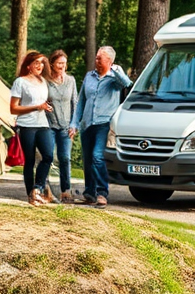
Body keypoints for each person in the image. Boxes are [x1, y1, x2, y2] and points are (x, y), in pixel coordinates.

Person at [69, 46, 132, 208]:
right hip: (87, 124)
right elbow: (81, 101)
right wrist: (74, 123)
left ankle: (102, 193)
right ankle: (89, 194)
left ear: (109, 61)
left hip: (104, 124)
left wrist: (116, 69)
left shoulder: (114, 79)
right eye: (96, 58)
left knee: (97, 156)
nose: (96, 61)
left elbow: (127, 83)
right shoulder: (89, 76)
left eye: (99, 58)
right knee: (88, 159)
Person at [9, 51, 55, 206]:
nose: (40, 66)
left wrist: (46, 107)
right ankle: (31, 195)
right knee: (29, 161)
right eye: (36, 63)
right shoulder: (20, 82)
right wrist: (36, 107)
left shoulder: (43, 81)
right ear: (28, 66)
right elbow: (13, 108)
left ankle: (38, 188)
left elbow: (42, 102)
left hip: (43, 124)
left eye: (42, 63)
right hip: (26, 125)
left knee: (48, 156)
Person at [45, 49, 78, 204]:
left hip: (66, 127)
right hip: (49, 125)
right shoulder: (45, 81)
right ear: (52, 64)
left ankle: (66, 191)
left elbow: (75, 103)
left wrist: (74, 124)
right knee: (48, 157)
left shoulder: (71, 80)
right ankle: (45, 189)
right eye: (59, 63)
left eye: (64, 63)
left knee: (65, 158)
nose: (62, 66)